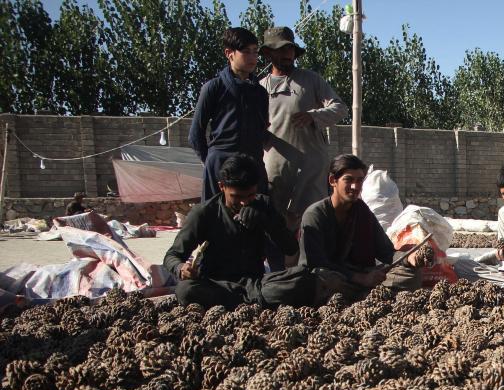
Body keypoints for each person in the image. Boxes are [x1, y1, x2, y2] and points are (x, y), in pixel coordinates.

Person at [163, 154, 310, 308]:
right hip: (217, 285)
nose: (244, 202)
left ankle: (246, 302)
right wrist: (181, 268)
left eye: (250, 195)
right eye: (237, 196)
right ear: (222, 187)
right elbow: (172, 256)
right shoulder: (204, 213)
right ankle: (253, 303)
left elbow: (291, 248)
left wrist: (266, 222)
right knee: (185, 290)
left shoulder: (263, 204)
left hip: (256, 285)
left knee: (303, 278)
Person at [300, 154, 426, 300]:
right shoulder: (315, 214)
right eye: (348, 180)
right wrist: (359, 278)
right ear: (332, 181)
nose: (355, 187)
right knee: (324, 278)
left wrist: (409, 258)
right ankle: (364, 296)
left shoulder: (362, 211)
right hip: (334, 277)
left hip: (362, 274)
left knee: (410, 273)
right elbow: (316, 263)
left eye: (359, 181)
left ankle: (364, 296)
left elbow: (386, 252)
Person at [260, 27, 349, 233]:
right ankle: (281, 264)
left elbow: (340, 108)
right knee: (276, 223)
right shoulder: (259, 88)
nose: (287, 54)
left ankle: (314, 264)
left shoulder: (310, 80)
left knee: (312, 220)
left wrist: (313, 116)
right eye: (281, 50)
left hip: (310, 167)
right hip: (275, 168)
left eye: (290, 49)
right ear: (268, 53)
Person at [189, 27, 269, 203]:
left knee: (257, 219)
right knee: (215, 220)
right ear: (229, 53)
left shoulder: (261, 93)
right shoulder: (214, 88)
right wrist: (213, 161)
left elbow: (262, 130)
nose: (253, 57)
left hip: (253, 164)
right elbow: (195, 134)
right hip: (221, 164)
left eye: (255, 52)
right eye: (246, 52)